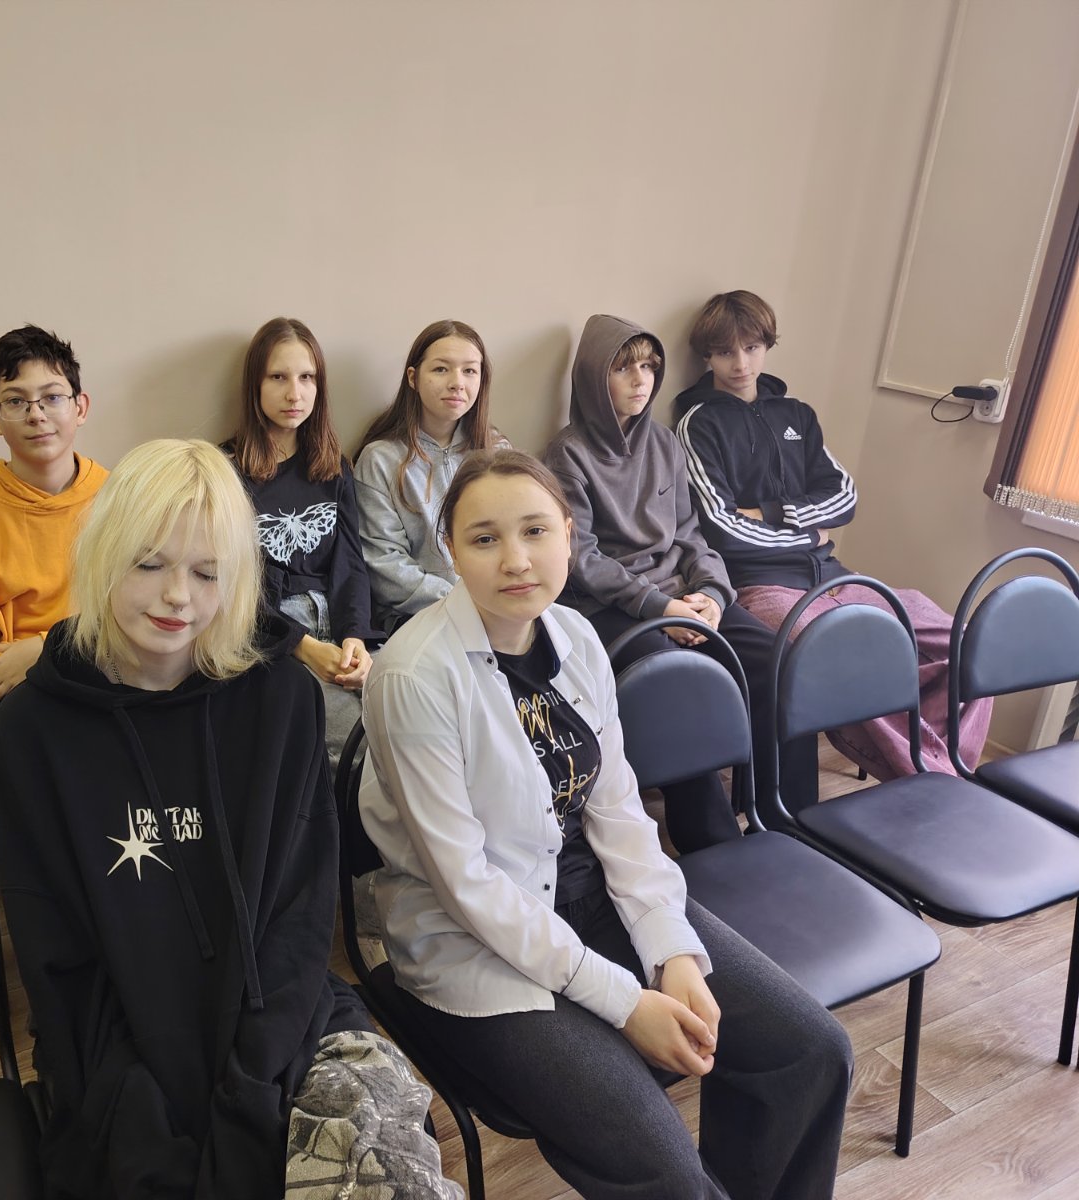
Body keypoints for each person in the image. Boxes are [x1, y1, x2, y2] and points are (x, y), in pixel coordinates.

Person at [360, 448, 853, 1200]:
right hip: (476, 943)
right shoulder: (413, 675)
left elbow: (618, 811)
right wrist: (626, 1000)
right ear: (451, 551)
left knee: (812, 1053)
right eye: (485, 539)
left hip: (594, 898)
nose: (516, 559)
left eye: (535, 531)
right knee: (666, 1171)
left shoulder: (576, 637)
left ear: (568, 533)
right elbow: (467, 885)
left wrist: (671, 949)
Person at [0, 439, 457, 1199]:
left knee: (387, 1169)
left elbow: (301, 912)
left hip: (282, 1006)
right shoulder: (32, 731)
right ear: (104, 556)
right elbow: (56, 955)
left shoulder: (281, 699)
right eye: (149, 565)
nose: (178, 596)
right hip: (121, 1027)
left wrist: (252, 1074)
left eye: (207, 573)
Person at [674, 290, 991, 781]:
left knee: (968, 642)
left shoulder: (797, 415)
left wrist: (772, 513)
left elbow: (844, 497)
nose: (740, 364)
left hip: (837, 575)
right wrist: (810, 533)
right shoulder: (698, 424)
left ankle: (945, 767)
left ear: (767, 345)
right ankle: (926, 780)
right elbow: (722, 528)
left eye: (752, 348)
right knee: (837, 657)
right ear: (707, 356)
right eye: (724, 352)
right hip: (762, 584)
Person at [547, 314, 818, 845]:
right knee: (678, 684)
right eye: (624, 368)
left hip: (685, 595)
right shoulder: (566, 454)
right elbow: (582, 559)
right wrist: (661, 610)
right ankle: (712, 845)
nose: (641, 380)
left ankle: (789, 820)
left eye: (649, 367)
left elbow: (691, 533)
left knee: (780, 660)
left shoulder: (665, 443)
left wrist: (713, 595)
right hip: (614, 609)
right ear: (594, 377)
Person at [0, 324, 108, 775]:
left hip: (111, 677)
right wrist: (48, 665)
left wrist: (45, 651)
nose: (36, 415)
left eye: (52, 397)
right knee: (35, 763)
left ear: (80, 407)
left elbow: (144, 624)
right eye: (16, 401)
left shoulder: (120, 500)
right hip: (14, 697)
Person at [223, 317, 372, 764]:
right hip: (273, 635)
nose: (295, 393)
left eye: (307, 378)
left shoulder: (332, 466)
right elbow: (229, 589)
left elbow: (351, 564)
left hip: (338, 625)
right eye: (278, 377)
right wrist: (303, 647)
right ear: (255, 384)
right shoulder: (225, 471)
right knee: (354, 748)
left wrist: (356, 639)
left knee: (408, 720)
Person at [355, 319, 506, 632]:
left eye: (470, 371)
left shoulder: (498, 453)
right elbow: (383, 563)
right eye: (441, 369)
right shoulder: (380, 459)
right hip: (419, 619)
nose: (457, 383)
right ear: (413, 377)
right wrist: (464, 604)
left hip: (497, 611)